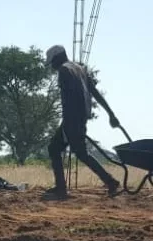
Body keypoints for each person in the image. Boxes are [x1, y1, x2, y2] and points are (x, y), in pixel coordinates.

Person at [44, 44, 121, 200]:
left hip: (72, 119)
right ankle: (110, 181)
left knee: (54, 149)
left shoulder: (64, 71)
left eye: (52, 62)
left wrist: (67, 124)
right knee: (81, 153)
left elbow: (68, 100)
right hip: (81, 117)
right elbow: (95, 93)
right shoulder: (80, 69)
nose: (52, 66)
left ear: (59, 58)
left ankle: (61, 189)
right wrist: (110, 113)